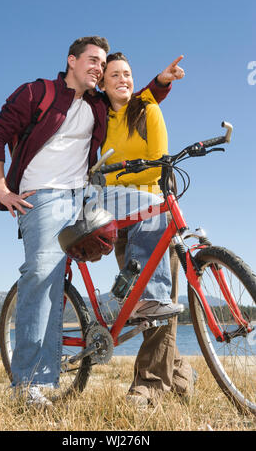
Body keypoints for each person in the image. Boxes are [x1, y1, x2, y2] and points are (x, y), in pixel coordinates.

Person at [0, 36, 183, 409]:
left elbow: (131, 95)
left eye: (101, 63)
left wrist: (160, 83)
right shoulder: (37, 92)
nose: (97, 68)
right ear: (71, 61)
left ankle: (135, 303)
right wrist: (1, 189)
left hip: (89, 195)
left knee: (152, 207)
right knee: (43, 274)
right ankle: (28, 384)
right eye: (92, 61)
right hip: (44, 196)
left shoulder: (97, 103)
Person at [100, 52, 194, 407]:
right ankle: (182, 375)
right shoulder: (99, 116)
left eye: (127, 73)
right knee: (140, 304)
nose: (122, 79)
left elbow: (157, 165)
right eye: (114, 75)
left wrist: (121, 177)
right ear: (102, 82)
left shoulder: (147, 109)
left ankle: (150, 385)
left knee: (158, 301)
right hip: (117, 220)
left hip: (151, 213)